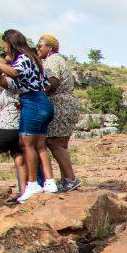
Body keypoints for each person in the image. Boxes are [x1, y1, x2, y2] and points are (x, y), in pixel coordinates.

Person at [0, 29, 56, 203]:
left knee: (26, 145)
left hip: (32, 102)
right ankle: (50, 182)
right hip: (42, 101)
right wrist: (4, 61)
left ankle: (32, 184)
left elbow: (13, 73)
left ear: (10, 43)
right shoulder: (33, 59)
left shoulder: (23, 59)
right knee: (40, 145)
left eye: (5, 45)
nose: (4, 48)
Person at [37, 35, 80, 192]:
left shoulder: (52, 60)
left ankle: (71, 178)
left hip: (60, 104)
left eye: (40, 46)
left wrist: (40, 93)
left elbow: (54, 81)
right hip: (68, 103)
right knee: (61, 144)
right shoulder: (60, 60)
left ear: (50, 47)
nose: (38, 49)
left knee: (53, 142)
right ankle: (65, 180)